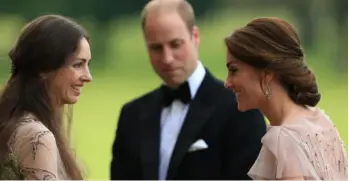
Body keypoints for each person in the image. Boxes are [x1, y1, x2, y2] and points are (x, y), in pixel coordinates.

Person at [110, 0, 267, 180]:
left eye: (175, 44)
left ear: (195, 37)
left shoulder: (241, 108)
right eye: (156, 48)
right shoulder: (131, 115)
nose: (167, 58)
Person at [223, 17, 348, 180]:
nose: (227, 83)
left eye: (234, 70)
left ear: (267, 74)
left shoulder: (283, 138)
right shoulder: (319, 119)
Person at [0, 14, 92, 180]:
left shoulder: (15, 122)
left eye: (88, 65)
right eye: (78, 65)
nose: (88, 76)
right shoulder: (37, 136)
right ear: (44, 69)